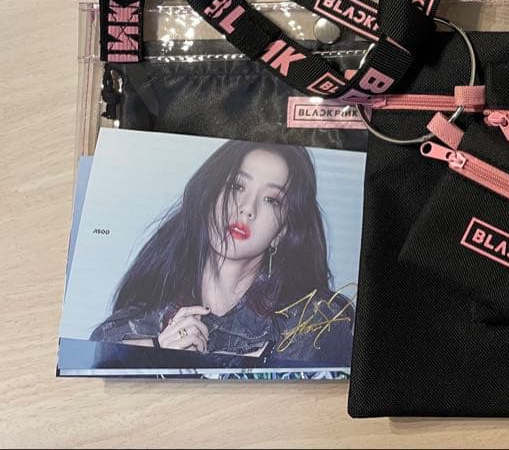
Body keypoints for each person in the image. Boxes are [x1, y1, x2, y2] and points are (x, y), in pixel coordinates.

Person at [91, 141, 353, 369]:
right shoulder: (135, 326)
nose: (247, 209)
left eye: (271, 200)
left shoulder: (317, 321)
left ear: (282, 232)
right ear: (209, 196)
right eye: (238, 186)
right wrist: (159, 351)